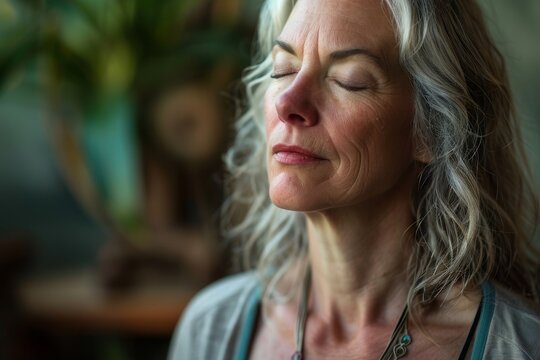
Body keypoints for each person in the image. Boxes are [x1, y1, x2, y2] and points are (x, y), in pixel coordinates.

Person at [168, 0, 540, 358]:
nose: (288, 103)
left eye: (349, 80)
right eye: (283, 69)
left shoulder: (518, 347)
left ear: (430, 129)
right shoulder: (211, 331)